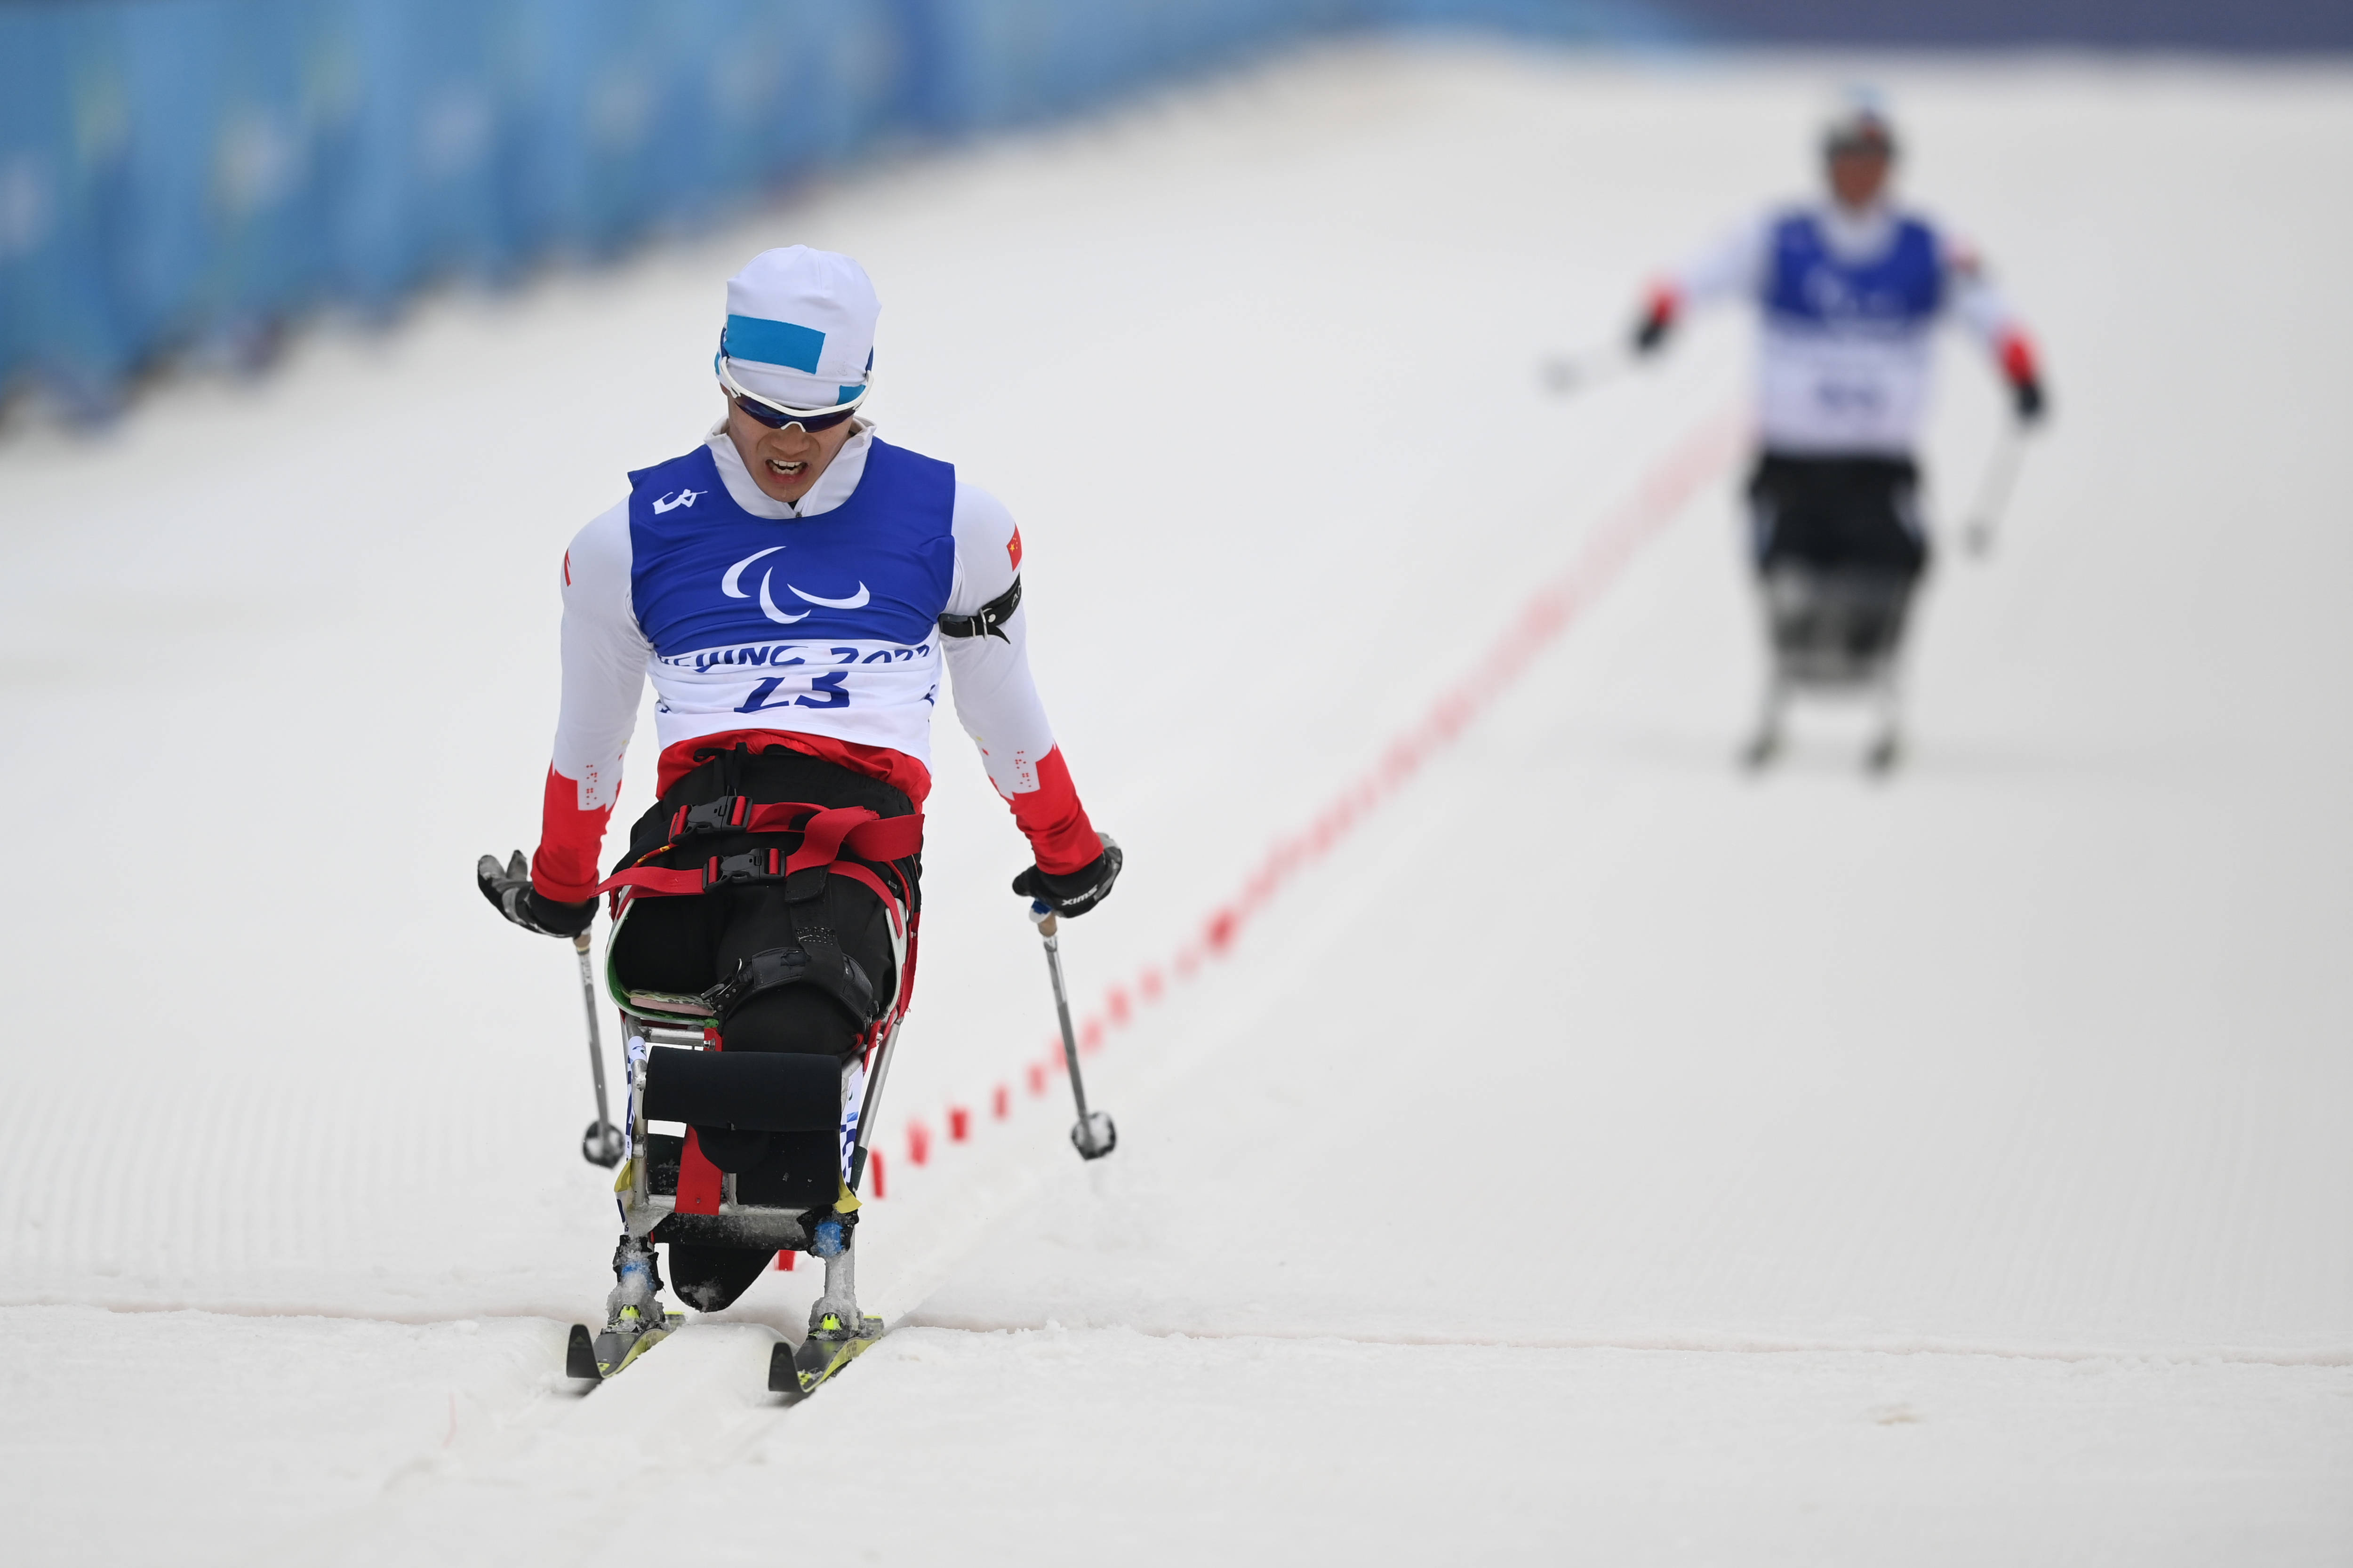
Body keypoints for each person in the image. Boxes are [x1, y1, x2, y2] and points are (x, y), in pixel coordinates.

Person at [475, 246, 1120, 1371]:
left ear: (861, 400)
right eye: (759, 412)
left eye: (816, 423)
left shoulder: (953, 518)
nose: (784, 444)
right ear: (721, 384)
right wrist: (565, 882)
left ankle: (750, 1198)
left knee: (806, 996)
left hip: (850, 839)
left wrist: (1065, 850)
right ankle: (706, 1201)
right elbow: (590, 742)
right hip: (694, 839)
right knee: (666, 961)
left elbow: (1002, 706)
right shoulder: (624, 538)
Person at [1630, 93, 2048, 770]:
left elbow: (1990, 310)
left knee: (1898, 571)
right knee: (1777, 570)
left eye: (1872, 161)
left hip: (1879, 460)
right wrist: (1658, 316)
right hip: (1794, 456)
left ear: (1891, 168)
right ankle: (1780, 693)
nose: (1859, 174)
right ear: (1826, 166)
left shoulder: (1929, 246)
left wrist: (2023, 374)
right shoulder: (1778, 237)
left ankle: (1883, 692)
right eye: (1847, 160)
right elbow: (1698, 273)